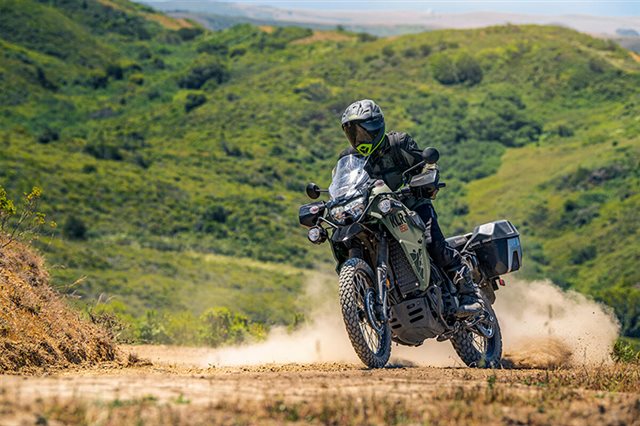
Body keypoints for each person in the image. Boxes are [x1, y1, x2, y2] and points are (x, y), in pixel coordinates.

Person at [339, 99, 482, 317]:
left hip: (411, 206)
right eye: (353, 133)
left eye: (362, 131)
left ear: (376, 127)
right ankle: (366, 300)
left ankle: (468, 294)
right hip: (374, 214)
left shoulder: (398, 143)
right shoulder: (349, 157)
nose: (359, 138)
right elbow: (344, 185)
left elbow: (426, 164)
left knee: (433, 242)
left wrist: (427, 181)